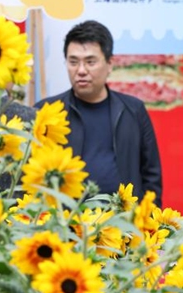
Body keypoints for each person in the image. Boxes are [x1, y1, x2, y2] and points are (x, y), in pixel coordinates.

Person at [35, 20, 162, 205]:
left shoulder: (133, 111)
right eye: (73, 62)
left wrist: (149, 224)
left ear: (110, 63)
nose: (81, 71)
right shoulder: (46, 112)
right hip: (65, 225)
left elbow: (151, 176)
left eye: (90, 62)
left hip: (123, 224)